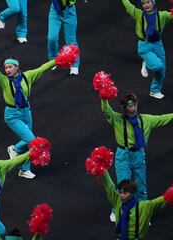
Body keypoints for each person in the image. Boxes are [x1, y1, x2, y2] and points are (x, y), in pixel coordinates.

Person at [101, 93, 173, 221]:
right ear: (124, 107)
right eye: (130, 106)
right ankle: (116, 210)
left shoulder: (146, 120)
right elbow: (107, 110)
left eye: (134, 105)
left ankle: (142, 212)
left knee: (141, 186)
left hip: (138, 155)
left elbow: (164, 118)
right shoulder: (118, 119)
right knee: (123, 186)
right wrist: (104, 98)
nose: (133, 108)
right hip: (123, 155)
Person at [0, 56, 56, 179]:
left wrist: (57, 60)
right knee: (32, 140)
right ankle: (15, 149)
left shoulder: (27, 76)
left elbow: (42, 69)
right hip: (12, 115)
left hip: (26, 111)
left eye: (10, 67)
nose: (7, 70)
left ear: (17, 67)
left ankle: (23, 168)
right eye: (6, 67)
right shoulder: (3, 80)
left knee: (26, 141)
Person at [121, 0, 173, 99]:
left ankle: (154, 91)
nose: (146, 5)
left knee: (162, 69)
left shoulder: (162, 15)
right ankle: (147, 64)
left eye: (148, 2)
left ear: (153, 3)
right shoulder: (138, 14)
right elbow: (128, 5)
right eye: (143, 3)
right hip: (144, 45)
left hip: (158, 44)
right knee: (157, 65)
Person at [100, 171, 169, 239]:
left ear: (132, 193)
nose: (121, 195)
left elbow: (162, 200)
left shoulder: (144, 206)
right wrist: (102, 170)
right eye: (121, 192)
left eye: (125, 193)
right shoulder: (118, 202)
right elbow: (109, 186)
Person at [47, 0, 80, 75]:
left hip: (69, 12)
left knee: (71, 40)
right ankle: (53, 60)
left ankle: (74, 64)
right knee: (51, 38)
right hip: (55, 11)